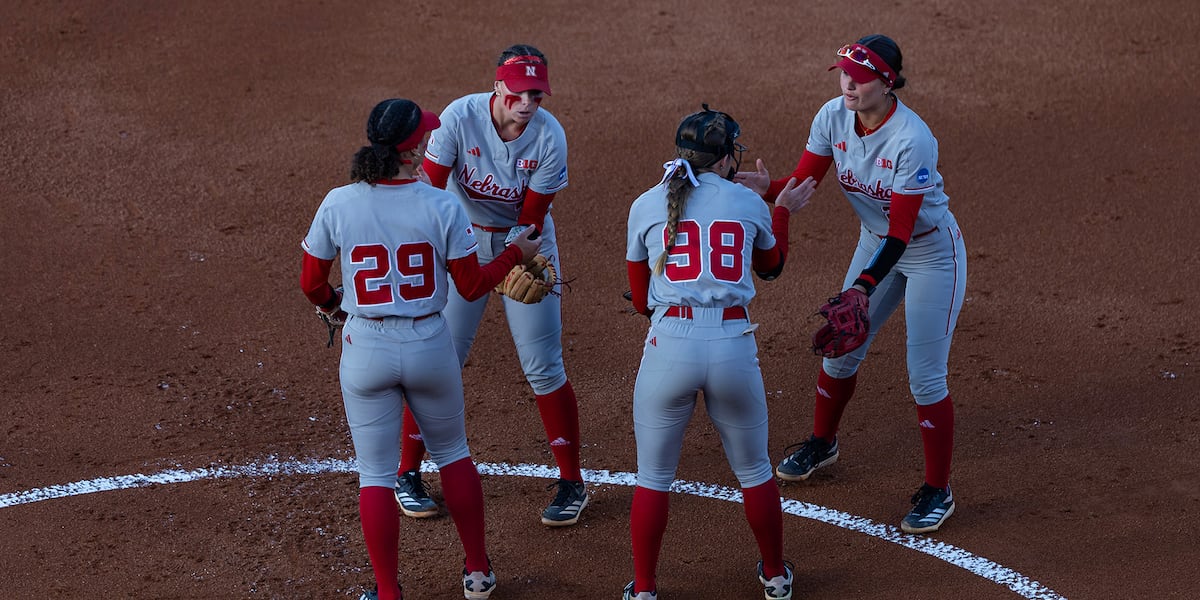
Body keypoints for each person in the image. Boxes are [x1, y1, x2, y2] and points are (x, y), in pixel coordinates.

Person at [300, 97, 540, 600]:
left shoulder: (338, 202)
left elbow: (311, 283)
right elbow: (472, 287)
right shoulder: (441, 205)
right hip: (429, 343)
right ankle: (478, 573)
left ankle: (388, 592)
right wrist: (515, 254)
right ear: (411, 152)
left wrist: (334, 306)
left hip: (366, 346)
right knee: (453, 455)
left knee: (375, 476)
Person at [734, 34, 967, 534]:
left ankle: (938, 490)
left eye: (859, 78)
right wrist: (769, 189)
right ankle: (823, 443)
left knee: (926, 377)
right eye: (844, 74)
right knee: (840, 354)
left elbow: (902, 231)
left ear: (887, 83)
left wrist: (862, 287)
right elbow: (803, 182)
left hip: (930, 254)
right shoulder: (832, 117)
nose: (848, 85)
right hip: (874, 242)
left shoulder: (912, 139)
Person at [622, 106, 817, 600]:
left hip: (670, 345)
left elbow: (641, 301)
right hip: (732, 344)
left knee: (653, 477)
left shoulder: (646, 203)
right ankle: (775, 576)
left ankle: (643, 588)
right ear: (728, 157)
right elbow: (771, 266)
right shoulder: (748, 203)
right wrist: (780, 209)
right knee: (754, 471)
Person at [392, 44, 589, 527]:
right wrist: (441, 253)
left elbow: (532, 219)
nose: (528, 103)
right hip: (461, 242)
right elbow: (428, 192)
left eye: (536, 94)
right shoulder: (459, 118)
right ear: (498, 86)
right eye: (519, 93)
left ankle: (572, 482)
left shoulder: (549, 137)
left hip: (525, 244)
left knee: (544, 365)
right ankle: (406, 473)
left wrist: (510, 261)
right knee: (439, 360)